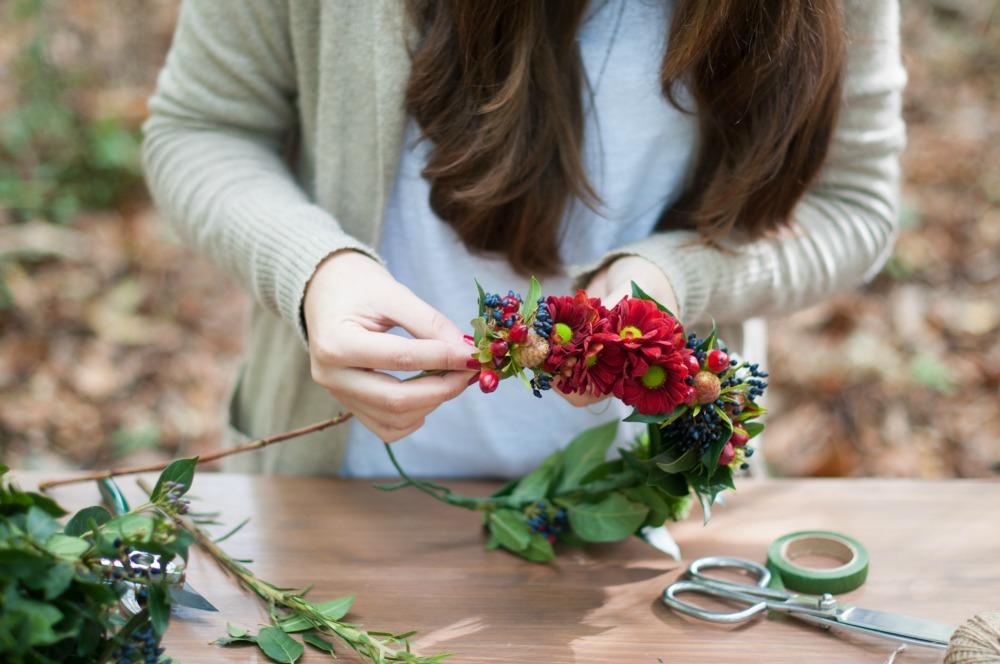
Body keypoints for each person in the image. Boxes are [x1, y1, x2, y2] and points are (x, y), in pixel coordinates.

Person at [142, 0, 906, 477]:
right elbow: (202, 128)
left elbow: (854, 204)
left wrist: (675, 279)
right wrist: (315, 272)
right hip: (342, 496)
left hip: (647, 515)